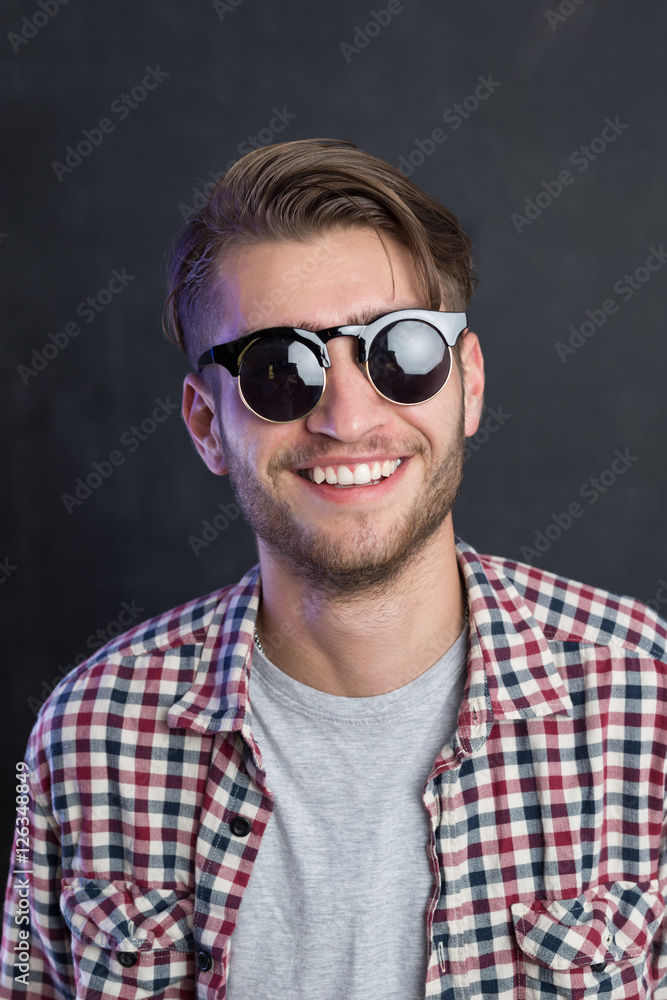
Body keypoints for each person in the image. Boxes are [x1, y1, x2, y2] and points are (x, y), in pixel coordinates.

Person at [2, 138, 667, 1000]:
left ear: (465, 382)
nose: (348, 419)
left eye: (402, 351)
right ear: (206, 425)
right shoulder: (85, 736)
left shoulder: (647, 700)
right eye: (280, 370)